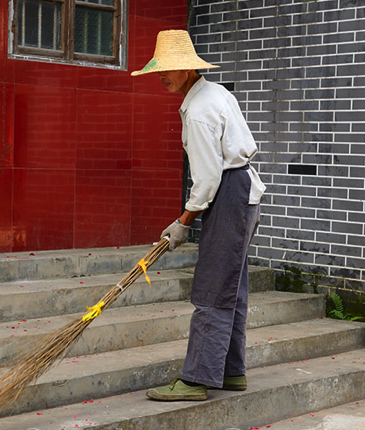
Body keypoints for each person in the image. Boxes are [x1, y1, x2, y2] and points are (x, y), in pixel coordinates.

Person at [131, 29, 266, 401]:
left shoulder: (199, 111)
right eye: (160, 69)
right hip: (242, 195)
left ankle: (196, 380)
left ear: (190, 68)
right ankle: (231, 372)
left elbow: (206, 178)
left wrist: (182, 223)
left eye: (171, 69)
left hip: (229, 195)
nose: (163, 75)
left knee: (211, 290)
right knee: (231, 290)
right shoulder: (214, 92)